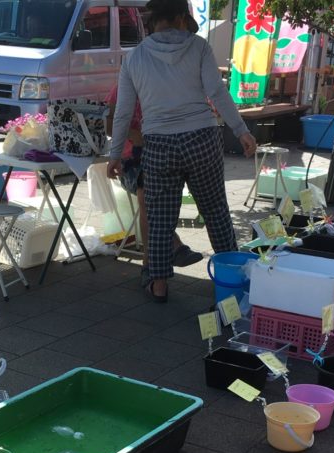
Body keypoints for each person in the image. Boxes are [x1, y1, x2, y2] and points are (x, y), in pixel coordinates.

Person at [107, 0, 256, 303]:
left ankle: (158, 285)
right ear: (179, 17)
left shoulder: (135, 58)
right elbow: (217, 92)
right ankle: (231, 280)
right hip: (202, 139)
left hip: (159, 143)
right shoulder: (198, 47)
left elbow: (122, 113)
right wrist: (241, 130)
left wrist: (114, 156)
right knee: (215, 211)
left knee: (161, 218)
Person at [105, 84, 203, 285]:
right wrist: (134, 135)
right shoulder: (123, 87)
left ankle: (155, 265)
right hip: (130, 160)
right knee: (146, 195)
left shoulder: (164, 83)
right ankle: (161, 255)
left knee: (154, 195)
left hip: (161, 156)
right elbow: (108, 124)